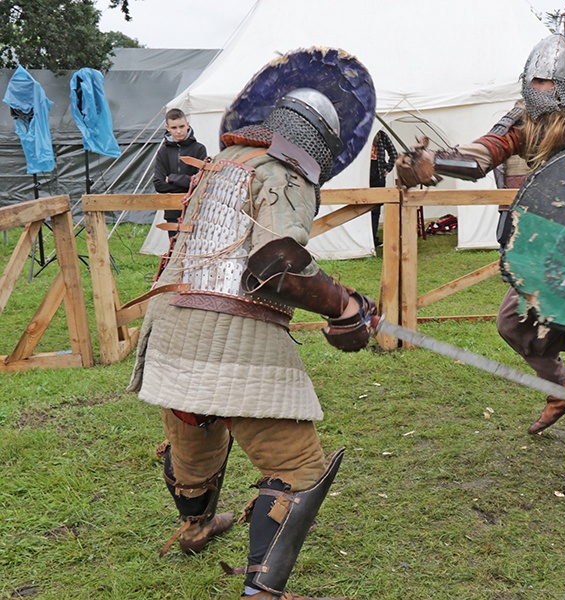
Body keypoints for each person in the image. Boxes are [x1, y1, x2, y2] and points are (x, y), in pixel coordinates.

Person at [129, 48, 376, 600]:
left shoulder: (225, 162)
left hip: (172, 321)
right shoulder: (285, 171)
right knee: (298, 467)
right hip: (231, 332)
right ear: (315, 143)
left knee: (197, 428)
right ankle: (263, 591)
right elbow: (276, 262)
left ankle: (196, 525)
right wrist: (343, 306)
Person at [396, 17, 565, 496]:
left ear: (563, 85)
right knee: (516, 324)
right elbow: (481, 154)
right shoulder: (524, 119)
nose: (535, 88)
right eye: (532, 80)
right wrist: (432, 163)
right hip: (560, 252)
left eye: (543, 81)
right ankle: (562, 391)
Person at [152, 108, 208, 236]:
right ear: (168, 128)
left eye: (182, 126)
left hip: (195, 208)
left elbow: (200, 181)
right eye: (174, 127)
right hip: (172, 209)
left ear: (188, 125)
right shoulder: (163, 152)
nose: (178, 131)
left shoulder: (199, 149)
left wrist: (172, 178)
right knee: (174, 250)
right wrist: (187, 181)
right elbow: (159, 184)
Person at [369, 129, 398, 246]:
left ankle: (373, 238)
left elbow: (394, 153)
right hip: (364, 176)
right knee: (362, 208)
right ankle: (366, 237)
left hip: (378, 175)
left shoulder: (382, 135)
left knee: (375, 209)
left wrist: (387, 169)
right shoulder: (360, 134)